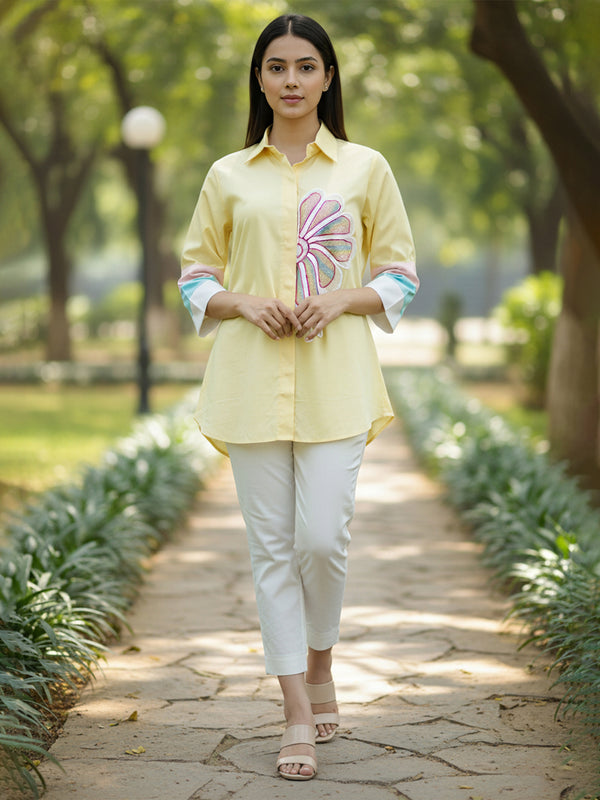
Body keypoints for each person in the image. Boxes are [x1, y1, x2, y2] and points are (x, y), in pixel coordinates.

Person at [179, 13, 418, 782]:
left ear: (328, 77)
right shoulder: (227, 175)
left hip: (336, 382)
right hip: (249, 382)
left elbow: (402, 274)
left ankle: (320, 664)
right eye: (276, 67)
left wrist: (347, 298)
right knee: (272, 549)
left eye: (305, 67)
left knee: (323, 538)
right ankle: (295, 711)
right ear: (259, 78)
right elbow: (193, 275)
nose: (290, 80)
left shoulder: (365, 168)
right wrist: (241, 303)